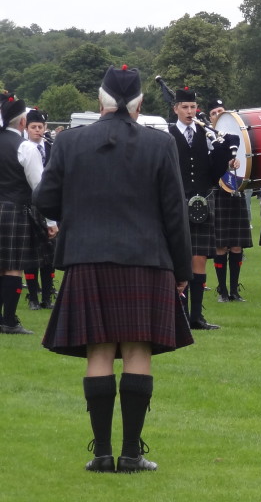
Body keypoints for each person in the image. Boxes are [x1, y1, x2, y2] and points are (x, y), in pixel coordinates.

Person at [35, 65, 193, 473]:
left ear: (100, 101)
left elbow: (45, 200)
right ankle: (131, 454)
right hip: (147, 258)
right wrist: (182, 271)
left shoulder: (69, 142)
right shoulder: (161, 144)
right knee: (138, 349)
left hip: (88, 258)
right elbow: (175, 212)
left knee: (99, 350)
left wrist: (77, 213)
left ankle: (102, 454)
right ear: (139, 103)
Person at [168, 87, 236, 330]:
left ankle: (196, 317)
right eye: (184, 107)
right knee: (180, 259)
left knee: (199, 259)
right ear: (175, 108)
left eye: (192, 107)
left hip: (203, 200)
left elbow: (216, 171)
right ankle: (180, 316)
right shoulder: (168, 135)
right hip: (177, 202)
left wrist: (223, 149)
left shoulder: (206, 134)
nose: (189, 111)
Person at [1, 93, 47, 335]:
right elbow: (39, 188)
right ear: (21, 123)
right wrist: (50, 221)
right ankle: (8, 320)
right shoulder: (25, 147)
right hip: (14, 210)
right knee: (12, 268)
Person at [207, 99, 252, 303]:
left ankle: (234, 290)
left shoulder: (237, 137)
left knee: (236, 245)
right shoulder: (207, 138)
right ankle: (222, 290)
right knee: (220, 246)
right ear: (210, 118)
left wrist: (237, 163)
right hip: (217, 194)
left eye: (221, 111)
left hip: (235, 192)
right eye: (214, 112)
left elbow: (246, 164)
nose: (218, 114)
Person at [23, 108, 58, 311]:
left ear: (45, 128)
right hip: (31, 205)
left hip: (50, 203)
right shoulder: (24, 148)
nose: (37, 130)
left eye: (40, 127)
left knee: (49, 254)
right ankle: (33, 296)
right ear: (26, 129)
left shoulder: (52, 148)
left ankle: (47, 296)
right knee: (32, 252)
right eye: (33, 127)